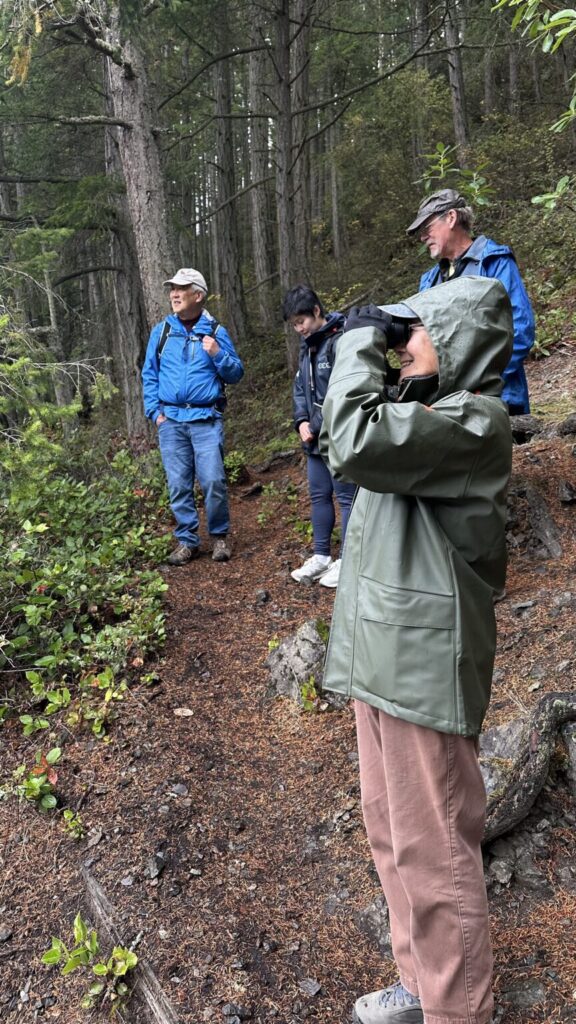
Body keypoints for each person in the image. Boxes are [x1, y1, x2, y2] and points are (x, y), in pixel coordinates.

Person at [319, 276, 513, 1024]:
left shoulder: (474, 425)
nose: (399, 356)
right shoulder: (424, 416)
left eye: (413, 339)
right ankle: (420, 983)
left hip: (426, 671)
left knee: (436, 857)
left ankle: (458, 1011)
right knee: (392, 837)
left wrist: (362, 340)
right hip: (381, 664)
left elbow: (354, 438)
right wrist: (405, 371)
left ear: (454, 343)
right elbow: (349, 451)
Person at [141, 268, 244, 565]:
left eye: (181, 288)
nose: (174, 293)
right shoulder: (161, 332)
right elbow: (150, 374)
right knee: (178, 485)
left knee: (212, 480)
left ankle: (219, 536)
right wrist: (155, 413)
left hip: (206, 420)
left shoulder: (215, 332)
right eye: (172, 288)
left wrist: (217, 354)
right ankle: (187, 541)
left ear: (197, 295)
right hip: (171, 422)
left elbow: (236, 373)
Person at [407, 188, 535, 415]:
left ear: (451, 218)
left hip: (499, 400)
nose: (422, 237)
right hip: (446, 407)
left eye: (426, 228)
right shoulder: (429, 282)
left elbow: (520, 329)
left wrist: (484, 384)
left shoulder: (495, 262)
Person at [283, 284, 356, 588]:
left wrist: (315, 423)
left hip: (337, 434)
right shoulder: (306, 346)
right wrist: (300, 420)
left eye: (301, 322)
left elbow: (340, 390)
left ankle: (350, 559)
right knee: (318, 494)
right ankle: (322, 556)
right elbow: (301, 387)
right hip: (313, 439)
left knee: (346, 496)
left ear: (316, 311)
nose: (298, 329)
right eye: (294, 325)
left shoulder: (340, 339)